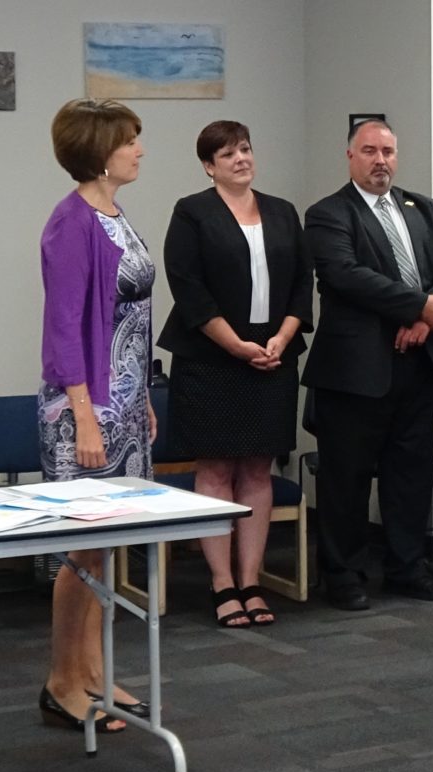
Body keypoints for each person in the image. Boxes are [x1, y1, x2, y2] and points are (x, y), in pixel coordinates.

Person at [158, 121, 314, 627]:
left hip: (273, 356)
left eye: (245, 149)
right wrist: (236, 346)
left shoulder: (282, 211)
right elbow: (189, 288)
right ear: (209, 166)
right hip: (212, 358)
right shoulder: (192, 212)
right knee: (217, 469)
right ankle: (222, 583)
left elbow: (302, 283)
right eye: (227, 154)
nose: (241, 159)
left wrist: (283, 338)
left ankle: (251, 581)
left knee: (258, 469)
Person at [38, 98, 155, 732]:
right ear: (99, 151)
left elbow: (129, 321)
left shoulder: (114, 213)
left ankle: (93, 673)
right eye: (130, 141)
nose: (139, 150)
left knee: (104, 549)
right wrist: (85, 416)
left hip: (124, 405)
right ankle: (62, 681)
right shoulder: (71, 221)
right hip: (84, 408)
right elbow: (64, 327)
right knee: (81, 551)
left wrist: (141, 399)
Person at [303, 118, 433, 611]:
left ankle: (407, 567)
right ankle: (343, 573)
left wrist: (425, 318)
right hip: (355, 369)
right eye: (369, 151)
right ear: (350, 156)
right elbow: (345, 275)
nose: (380, 161)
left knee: (410, 471)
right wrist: (418, 306)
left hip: (418, 363)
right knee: (345, 477)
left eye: (387, 151)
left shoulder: (424, 208)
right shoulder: (329, 213)